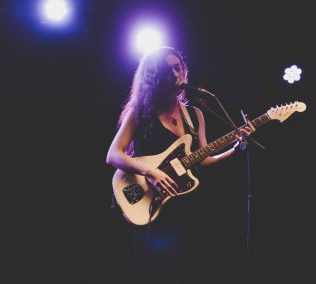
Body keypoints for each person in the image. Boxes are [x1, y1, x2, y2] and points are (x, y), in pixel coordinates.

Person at [106, 46, 250, 283]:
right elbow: (113, 155)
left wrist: (233, 149)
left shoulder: (195, 114)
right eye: (167, 69)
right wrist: (149, 170)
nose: (175, 74)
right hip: (149, 202)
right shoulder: (141, 112)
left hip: (186, 207)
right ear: (154, 76)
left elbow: (202, 158)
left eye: (178, 67)